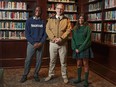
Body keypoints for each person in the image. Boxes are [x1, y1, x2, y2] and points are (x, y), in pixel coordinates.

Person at [45, 3, 72, 84]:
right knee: (52, 60)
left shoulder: (66, 19)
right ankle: (50, 74)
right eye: (58, 8)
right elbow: (47, 29)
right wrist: (53, 38)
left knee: (63, 61)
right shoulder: (50, 19)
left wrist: (61, 38)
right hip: (53, 43)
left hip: (63, 44)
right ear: (55, 9)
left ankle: (64, 76)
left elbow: (68, 30)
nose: (59, 10)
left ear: (63, 10)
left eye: (61, 9)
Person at [20, 5, 47, 83]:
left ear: (41, 12)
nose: (37, 12)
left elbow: (45, 34)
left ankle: (36, 74)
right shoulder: (29, 21)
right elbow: (27, 34)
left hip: (40, 44)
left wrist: (41, 42)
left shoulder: (43, 22)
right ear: (34, 11)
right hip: (32, 44)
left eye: (39, 10)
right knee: (28, 60)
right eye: (36, 10)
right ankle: (25, 75)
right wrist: (33, 43)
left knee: (39, 60)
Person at [71, 14, 94, 87]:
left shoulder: (87, 28)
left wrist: (80, 49)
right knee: (78, 64)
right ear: (77, 19)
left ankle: (86, 81)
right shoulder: (75, 28)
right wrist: (75, 48)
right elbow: (73, 39)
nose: (81, 20)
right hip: (77, 49)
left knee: (85, 64)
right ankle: (79, 79)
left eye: (82, 18)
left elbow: (88, 41)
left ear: (84, 19)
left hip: (84, 48)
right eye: (79, 18)